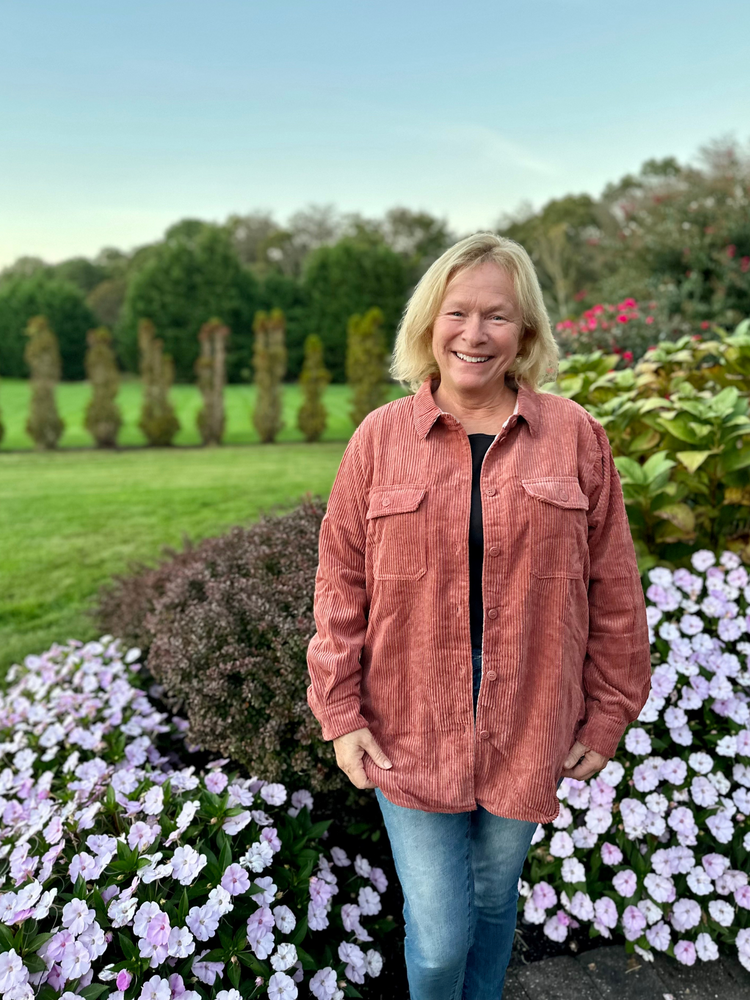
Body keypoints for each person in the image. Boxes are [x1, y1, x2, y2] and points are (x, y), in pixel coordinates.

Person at [306, 232, 651, 999]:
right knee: (437, 936)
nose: (474, 333)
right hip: (406, 725)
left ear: (525, 331)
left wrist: (607, 716)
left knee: (495, 902)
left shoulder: (576, 437)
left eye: (497, 316)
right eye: (457, 312)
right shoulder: (378, 442)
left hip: (531, 720)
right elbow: (341, 585)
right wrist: (339, 710)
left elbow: (615, 589)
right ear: (429, 324)